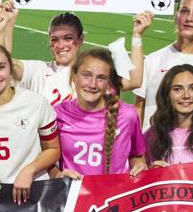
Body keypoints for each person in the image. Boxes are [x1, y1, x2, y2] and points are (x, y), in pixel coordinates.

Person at [0, 2, 151, 106]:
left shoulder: (94, 74)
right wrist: (4, 30)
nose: (60, 45)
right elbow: (5, 67)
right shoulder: (39, 71)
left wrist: (137, 35)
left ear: (81, 39)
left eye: (68, 38)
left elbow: (134, 81)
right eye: (54, 39)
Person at [0, 44, 61, 204]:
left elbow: (53, 149)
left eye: (1, 67)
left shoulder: (36, 103)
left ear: (10, 69)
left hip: (35, 194)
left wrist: (29, 170)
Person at [51, 48, 146, 178]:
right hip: (72, 190)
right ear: (74, 76)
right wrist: (58, 175)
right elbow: (47, 160)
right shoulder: (58, 114)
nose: (92, 84)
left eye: (101, 78)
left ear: (108, 83)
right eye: (86, 75)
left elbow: (137, 155)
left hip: (115, 191)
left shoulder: (127, 115)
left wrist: (139, 166)